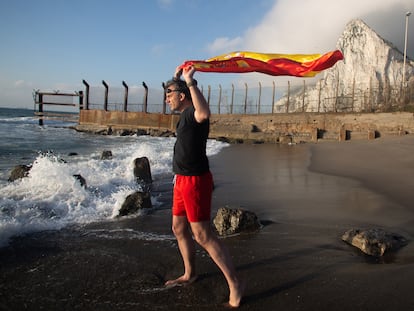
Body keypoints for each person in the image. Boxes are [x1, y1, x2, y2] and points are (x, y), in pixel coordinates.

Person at [164, 65, 244, 308]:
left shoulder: (193, 114)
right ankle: (190, 273)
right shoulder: (184, 116)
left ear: (182, 96)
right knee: (179, 228)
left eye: (170, 94)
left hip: (195, 182)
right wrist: (177, 79)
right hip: (181, 180)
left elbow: (205, 111)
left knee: (202, 235)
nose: (167, 99)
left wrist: (189, 81)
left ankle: (235, 284)